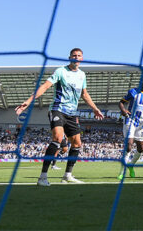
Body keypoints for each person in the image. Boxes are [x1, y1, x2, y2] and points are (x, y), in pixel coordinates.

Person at [15, 48, 104, 186]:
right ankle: (43, 177)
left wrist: (95, 109)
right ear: (70, 58)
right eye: (74, 55)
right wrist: (28, 101)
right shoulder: (60, 71)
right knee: (57, 138)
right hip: (57, 110)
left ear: (82, 58)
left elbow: (85, 95)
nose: (76, 57)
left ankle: (67, 175)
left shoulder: (82, 75)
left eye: (79, 56)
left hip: (72, 114)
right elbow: (45, 86)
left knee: (77, 144)